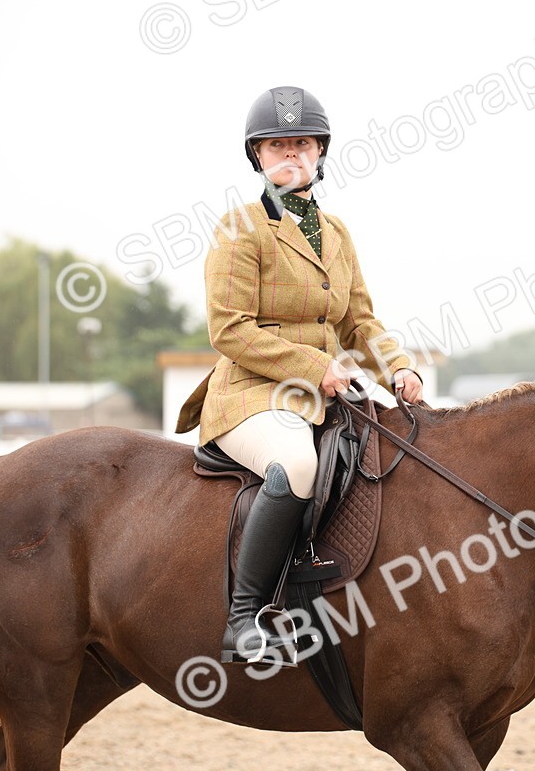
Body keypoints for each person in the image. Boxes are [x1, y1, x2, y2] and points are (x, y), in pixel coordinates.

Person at [176, 86, 422, 664]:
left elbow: (359, 321)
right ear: (257, 156)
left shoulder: (336, 233)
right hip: (252, 394)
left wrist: (398, 367)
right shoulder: (240, 227)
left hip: (326, 394)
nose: (292, 154)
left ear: (320, 153)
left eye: (303, 144)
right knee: (297, 465)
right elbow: (229, 329)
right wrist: (316, 367)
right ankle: (244, 619)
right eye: (277, 145)